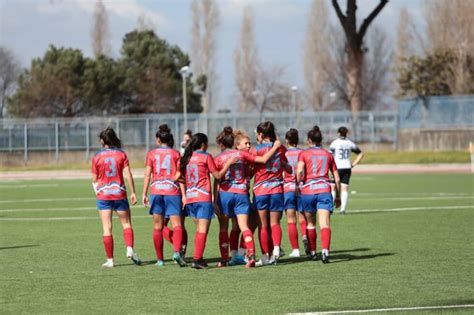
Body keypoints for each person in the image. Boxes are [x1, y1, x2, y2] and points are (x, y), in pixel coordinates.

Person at [213, 126, 282, 268]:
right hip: (241, 193)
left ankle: (227, 258)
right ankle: (250, 255)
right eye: (246, 143)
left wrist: (215, 200)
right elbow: (262, 160)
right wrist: (276, 146)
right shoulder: (243, 156)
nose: (249, 146)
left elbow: (216, 179)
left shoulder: (218, 158)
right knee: (244, 226)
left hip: (225, 194)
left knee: (226, 227)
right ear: (235, 144)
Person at [178, 133, 235, 269]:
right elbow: (218, 175)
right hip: (203, 197)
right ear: (203, 144)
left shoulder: (187, 157)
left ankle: (199, 257)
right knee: (202, 230)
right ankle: (197, 260)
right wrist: (228, 163)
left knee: (199, 230)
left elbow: (177, 177)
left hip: (191, 198)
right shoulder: (206, 156)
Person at [91, 127, 141, 268]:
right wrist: (133, 192)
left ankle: (110, 260)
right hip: (119, 193)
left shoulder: (97, 157)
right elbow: (128, 174)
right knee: (126, 224)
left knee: (107, 228)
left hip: (104, 195)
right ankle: (129, 248)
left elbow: (94, 179)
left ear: (102, 141)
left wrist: (98, 192)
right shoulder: (121, 154)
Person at [142, 124, 187, 267]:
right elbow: (179, 175)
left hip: (156, 191)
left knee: (157, 227)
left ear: (158, 140)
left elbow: (147, 175)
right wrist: (184, 195)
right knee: (177, 224)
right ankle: (176, 253)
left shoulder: (151, 154)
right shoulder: (176, 154)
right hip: (172, 191)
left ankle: (160, 260)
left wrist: (144, 193)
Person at [297, 126, 341, 263]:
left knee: (310, 223)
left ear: (309, 140)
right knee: (325, 224)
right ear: (320, 140)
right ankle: (325, 252)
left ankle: (312, 252)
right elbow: (337, 178)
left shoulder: (303, 154)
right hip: (324, 191)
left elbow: (299, 172)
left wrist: (298, 186)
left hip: (308, 192)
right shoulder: (328, 154)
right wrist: (338, 195)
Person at [252, 121, 291, 266]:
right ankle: (276, 250)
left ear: (261, 134)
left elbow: (251, 168)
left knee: (263, 225)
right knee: (275, 223)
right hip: (276, 189)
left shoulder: (256, 150)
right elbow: (289, 169)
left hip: (261, 190)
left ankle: (265, 257)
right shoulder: (280, 148)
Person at [283, 128, 308, 258]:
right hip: (302, 188)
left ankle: (296, 250)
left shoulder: (284, 154)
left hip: (288, 188)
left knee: (291, 219)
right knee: (303, 216)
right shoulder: (303, 153)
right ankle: (305, 236)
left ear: (287, 140)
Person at [329, 126, 364, 214]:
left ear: (338, 133)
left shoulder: (335, 143)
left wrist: (329, 167)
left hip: (336, 167)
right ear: (346, 133)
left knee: (333, 187)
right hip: (347, 167)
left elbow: (329, 156)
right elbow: (361, 154)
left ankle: (330, 209)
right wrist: (353, 164)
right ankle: (343, 210)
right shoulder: (350, 143)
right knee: (344, 188)